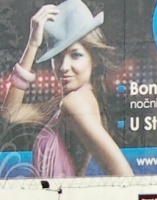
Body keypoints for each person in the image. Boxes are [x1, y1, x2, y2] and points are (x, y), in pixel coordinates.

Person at [2, 0, 133, 177]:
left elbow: (123, 173)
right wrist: (33, 44)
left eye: (75, 55)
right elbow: (11, 113)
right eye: (57, 57)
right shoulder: (68, 103)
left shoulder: (75, 102)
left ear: (94, 59)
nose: (63, 66)